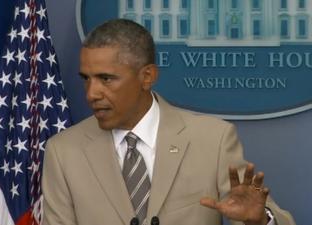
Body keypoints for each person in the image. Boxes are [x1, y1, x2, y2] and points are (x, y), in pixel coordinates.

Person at [41, 19, 295, 225]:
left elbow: (271, 218)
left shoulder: (212, 139)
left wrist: (261, 220)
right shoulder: (63, 151)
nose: (91, 93)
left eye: (106, 79)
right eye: (86, 78)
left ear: (147, 76)